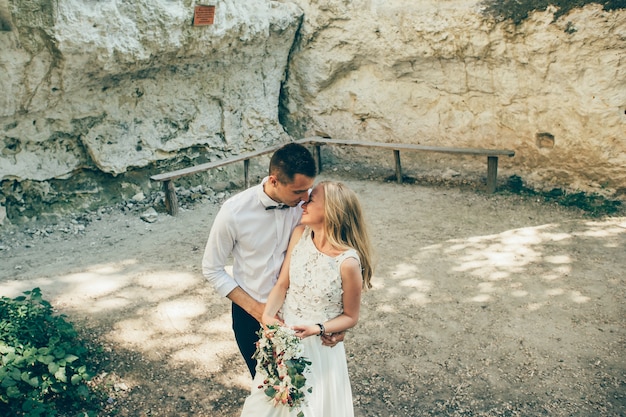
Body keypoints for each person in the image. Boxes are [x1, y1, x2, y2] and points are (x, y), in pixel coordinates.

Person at [240, 181, 374, 417]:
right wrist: (268, 317)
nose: (303, 202)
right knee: (264, 404)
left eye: (311, 200)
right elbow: (283, 284)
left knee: (307, 409)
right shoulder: (300, 234)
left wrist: (318, 328)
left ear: (331, 210)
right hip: (283, 341)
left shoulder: (348, 262)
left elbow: (351, 316)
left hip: (317, 348)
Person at [202, 142, 325, 377]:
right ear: (274, 180)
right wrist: (257, 310)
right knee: (265, 387)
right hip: (250, 314)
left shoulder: (307, 207)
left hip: (300, 314)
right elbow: (212, 269)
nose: (305, 198)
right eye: (298, 191)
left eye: (308, 189)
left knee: (304, 385)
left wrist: (328, 324)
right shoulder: (234, 212)